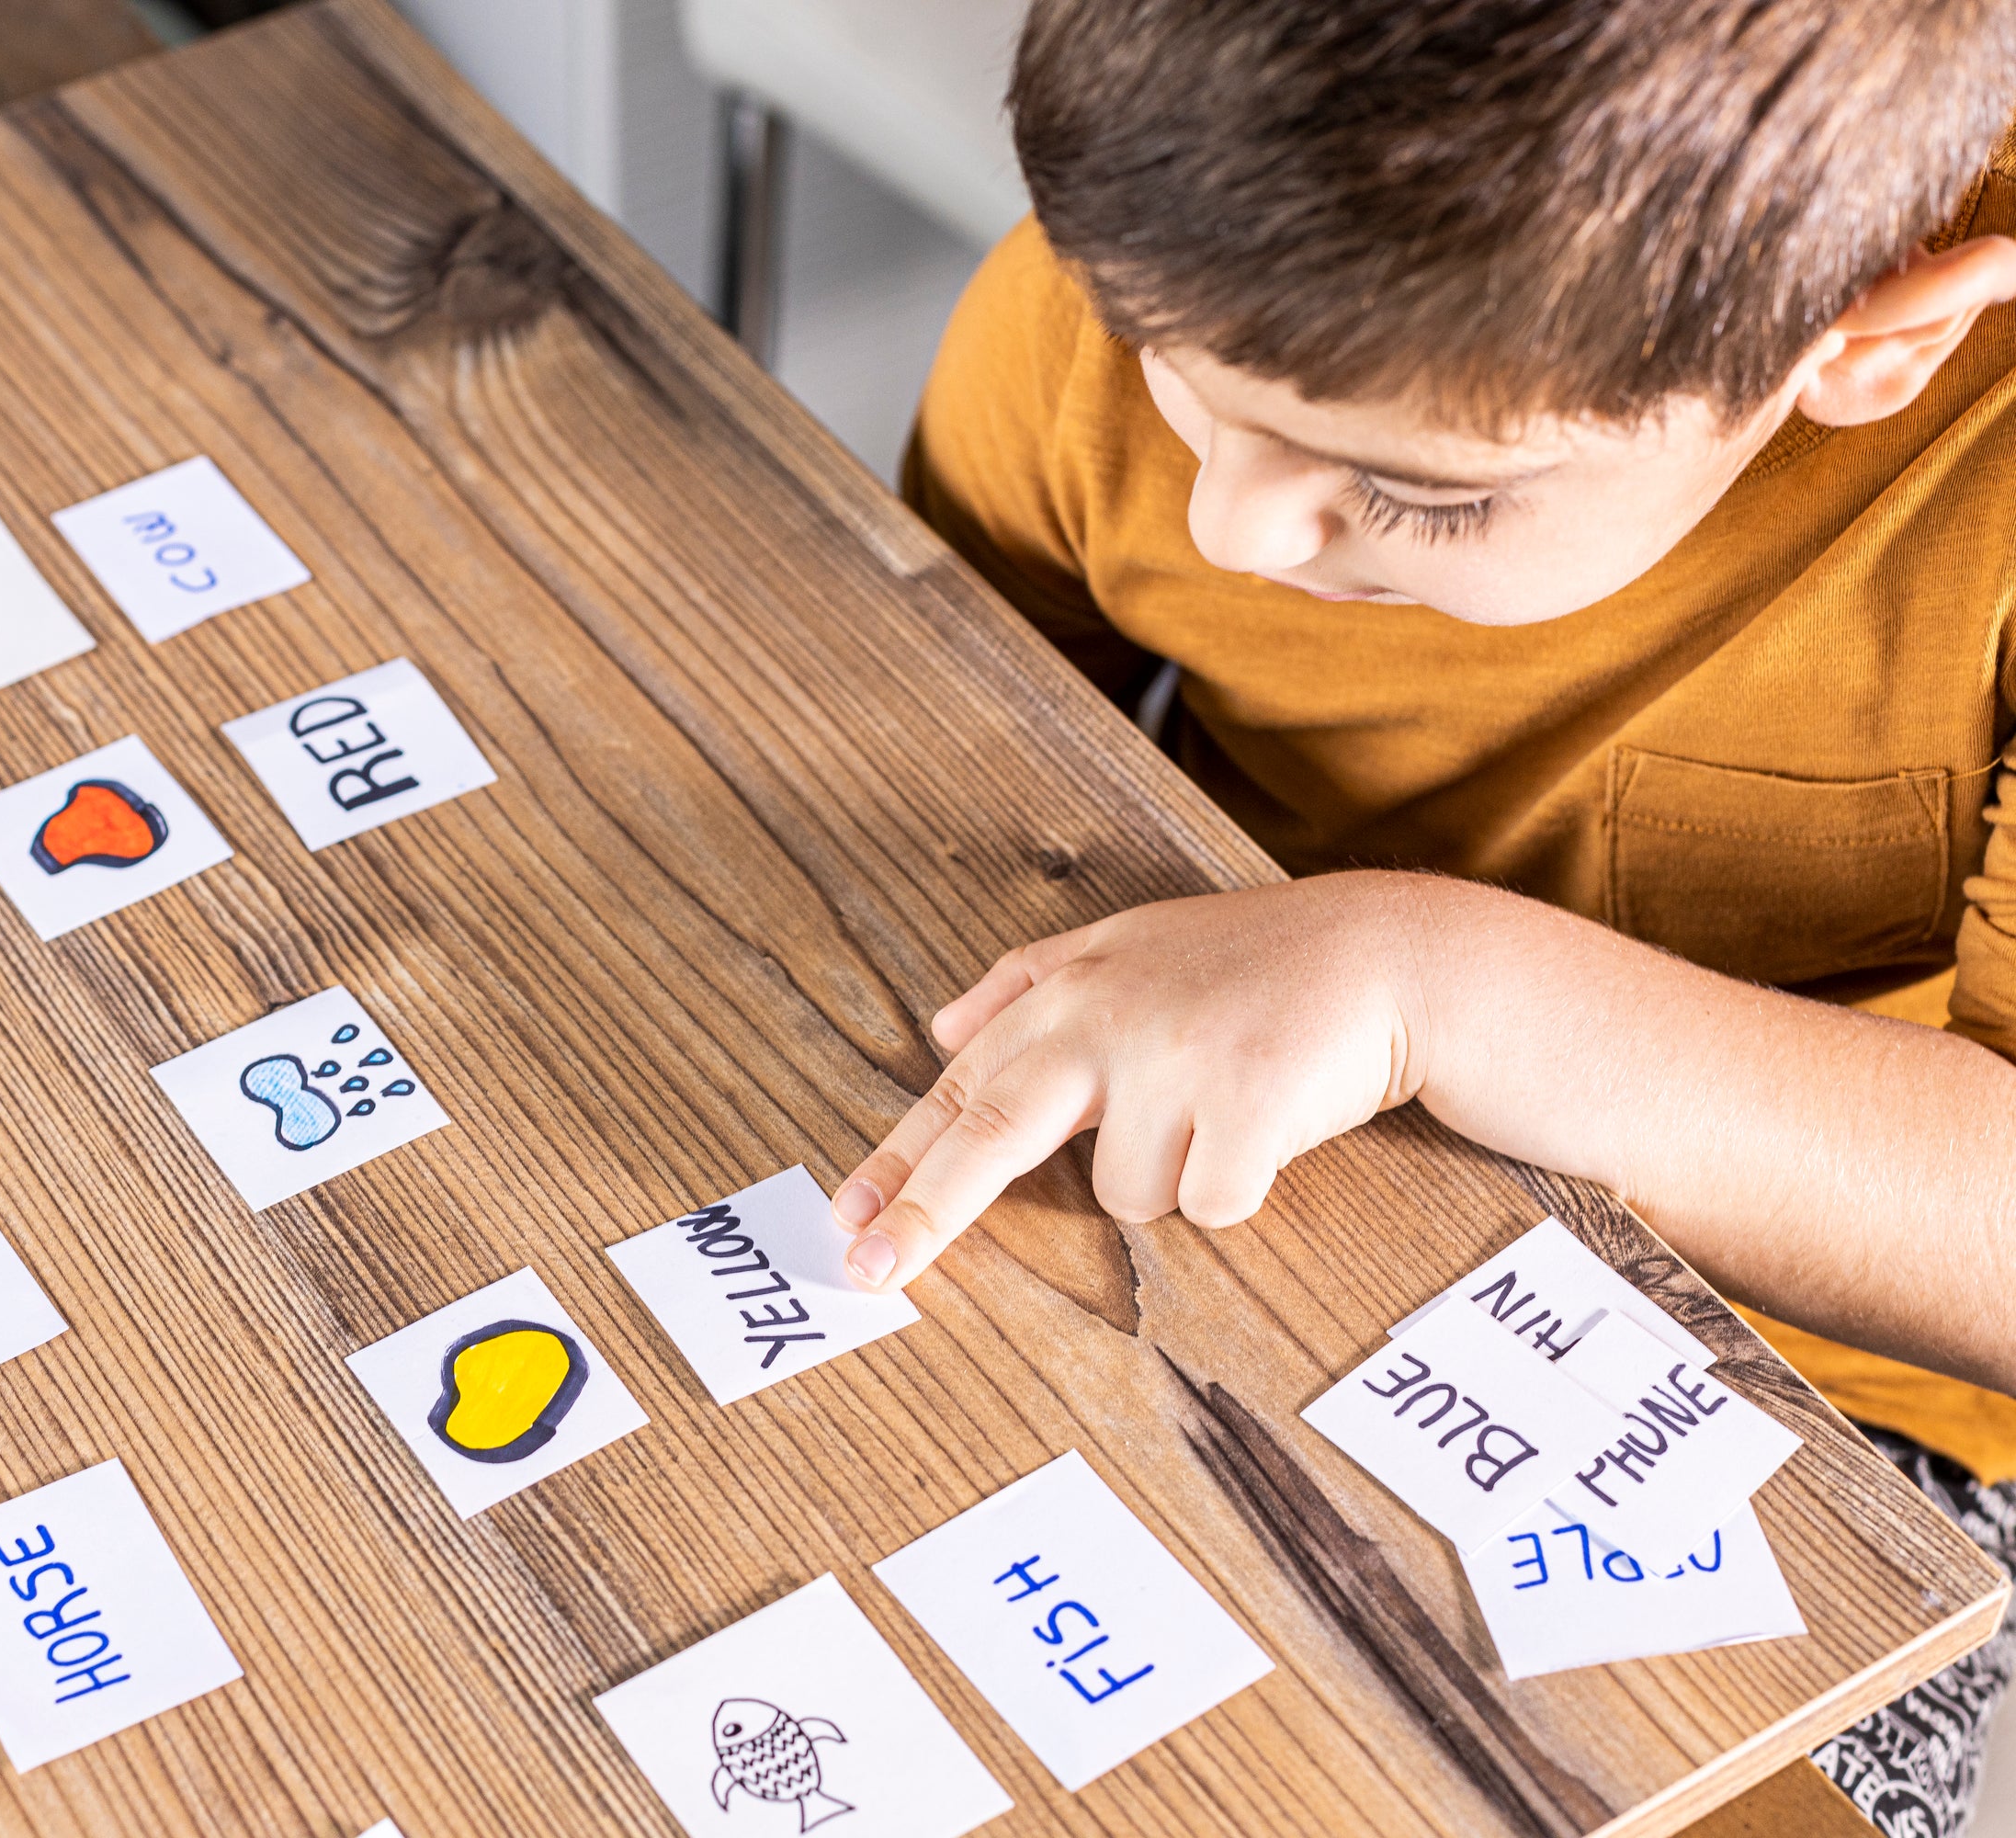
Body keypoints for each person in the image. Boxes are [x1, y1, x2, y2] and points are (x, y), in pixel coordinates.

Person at [832, 1, 2016, 1828]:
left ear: (1873, 346)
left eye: (1416, 490)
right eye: (1169, 370)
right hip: (1199, 1160)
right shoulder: (1155, 289)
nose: (1231, 529)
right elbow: (930, 768)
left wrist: (1433, 984)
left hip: (1822, 1387)